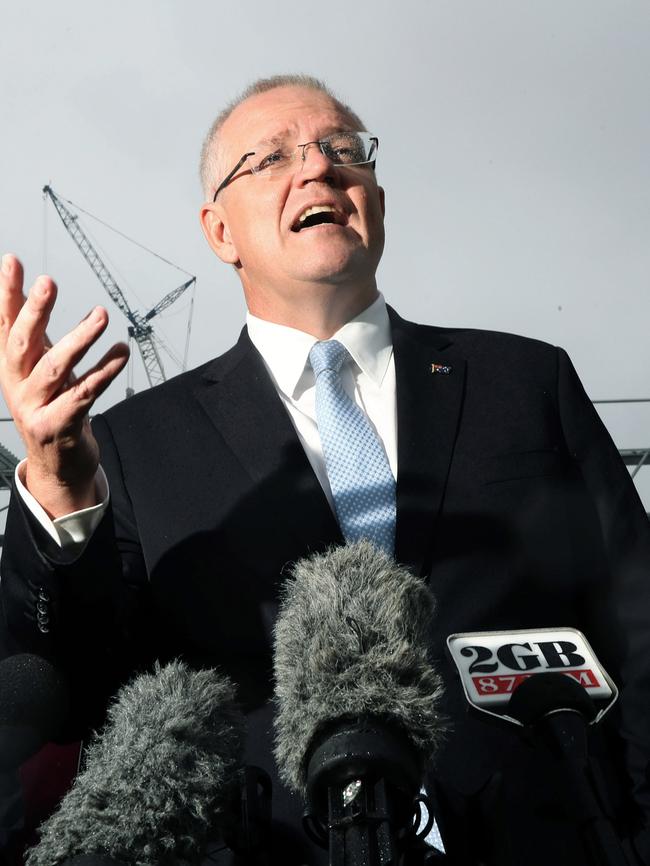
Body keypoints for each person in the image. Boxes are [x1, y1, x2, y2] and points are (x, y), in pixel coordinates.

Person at [1, 74, 649, 865]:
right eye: (270, 158)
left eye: (342, 148)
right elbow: (76, 685)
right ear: (219, 230)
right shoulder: (136, 444)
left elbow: (638, 628)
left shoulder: (525, 381)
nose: (318, 169)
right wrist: (60, 486)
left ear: (376, 194)